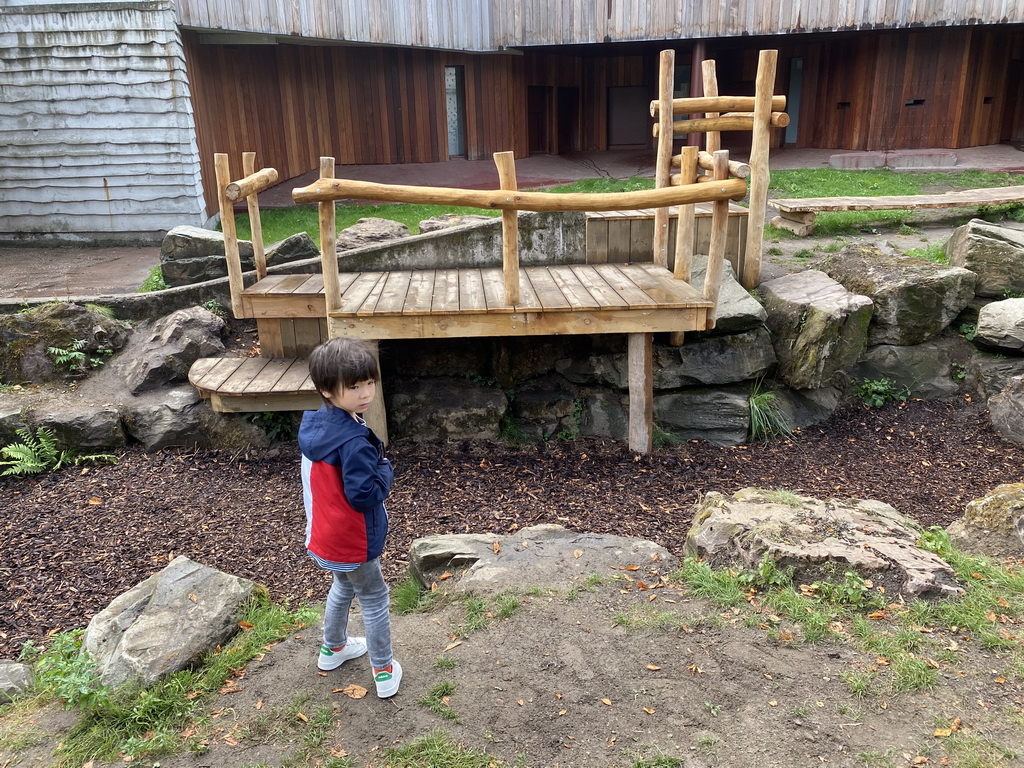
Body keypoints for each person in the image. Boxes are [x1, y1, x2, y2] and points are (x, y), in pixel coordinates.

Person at [298, 337, 402, 698]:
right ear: (327, 390)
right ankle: (384, 670)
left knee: (343, 586)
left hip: (325, 534)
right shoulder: (354, 442)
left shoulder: (315, 427)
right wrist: (385, 469)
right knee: (374, 597)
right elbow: (364, 495)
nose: (365, 393)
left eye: (369, 382)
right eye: (354, 386)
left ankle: (333, 649)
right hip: (353, 539)